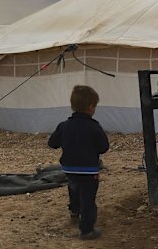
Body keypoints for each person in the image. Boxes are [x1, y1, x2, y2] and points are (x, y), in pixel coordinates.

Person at [48, 85, 110, 240]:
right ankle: (86, 230)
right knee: (88, 199)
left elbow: (52, 143)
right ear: (90, 107)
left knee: (74, 188)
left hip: (69, 168)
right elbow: (104, 147)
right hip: (88, 170)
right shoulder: (94, 127)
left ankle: (74, 212)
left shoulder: (64, 126)